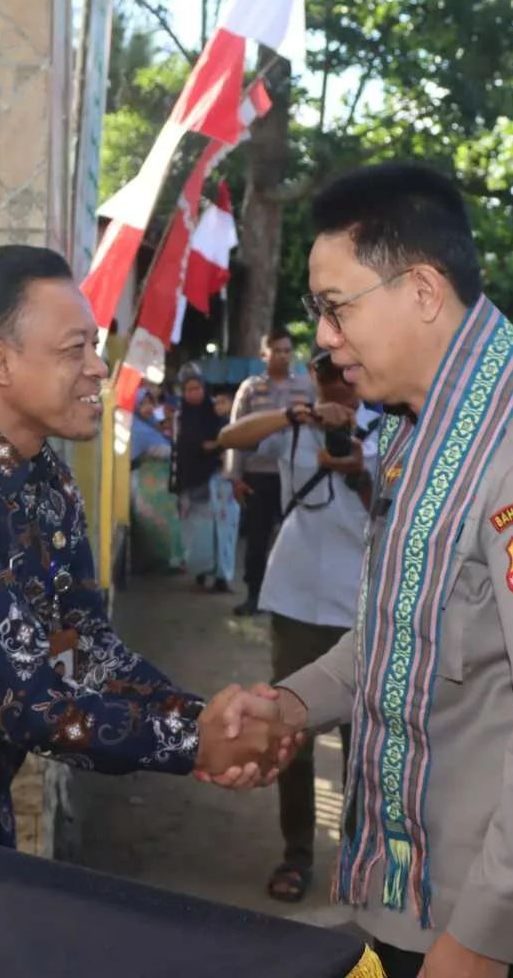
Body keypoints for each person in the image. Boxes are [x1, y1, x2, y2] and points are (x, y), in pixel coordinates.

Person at [215, 162, 513, 978]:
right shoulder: (427, 435)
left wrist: (483, 941)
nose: (322, 337)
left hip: (509, 929)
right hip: (423, 899)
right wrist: (292, 705)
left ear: (420, 290)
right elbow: (397, 632)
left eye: (334, 308)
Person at [0, 244, 289, 847]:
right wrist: (198, 745)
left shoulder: (47, 480)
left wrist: (198, 717)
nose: (98, 367)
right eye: (73, 349)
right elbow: (26, 701)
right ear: (0, 363)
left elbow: (83, 648)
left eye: (94, 345)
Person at [215, 350, 376, 904]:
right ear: (315, 376)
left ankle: (361, 857)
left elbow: (399, 508)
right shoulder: (296, 425)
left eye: (349, 374)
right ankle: (298, 854)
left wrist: (357, 470)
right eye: (329, 374)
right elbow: (232, 438)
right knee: (293, 734)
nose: (340, 385)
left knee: (365, 743)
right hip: (299, 598)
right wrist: (297, 417)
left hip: (363, 600)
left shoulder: (388, 428)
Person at [226, 330, 317, 614]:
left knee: (296, 538)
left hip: (297, 475)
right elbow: (235, 434)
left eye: (287, 350)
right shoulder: (250, 389)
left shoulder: (307, 387)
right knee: (257, 538)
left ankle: (291, 600)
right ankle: (255, 595)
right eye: (276, 350)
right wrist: (235, 477)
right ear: (264, 355)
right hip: (258, 476)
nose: (282, 355)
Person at [170, 364, 230, 592]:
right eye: (189, 389)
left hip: (216, 479)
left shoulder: (213, 412)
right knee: (198, 531)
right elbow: (195, 445)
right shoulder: (182, 416)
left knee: (221, 529)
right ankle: (203, 571)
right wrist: (218, 444)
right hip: (192, 479)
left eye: (198, 388)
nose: (194, 393)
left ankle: (222, 575)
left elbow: (224, 435)